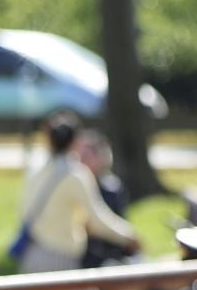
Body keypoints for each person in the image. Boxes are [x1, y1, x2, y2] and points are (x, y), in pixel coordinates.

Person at [16, 112, 140, 278]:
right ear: (75, 141)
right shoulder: (75, 174)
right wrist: (128, 236)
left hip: (32, 254)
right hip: (61, 258)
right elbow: (97, 219)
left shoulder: (36, 169)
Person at [76, 129, 135, 269]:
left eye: (85, 157)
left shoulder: (111, 189)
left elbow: (117, 228)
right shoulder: (75, 187)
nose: (80, 163)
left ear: (100, 158)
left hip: (107, 258)